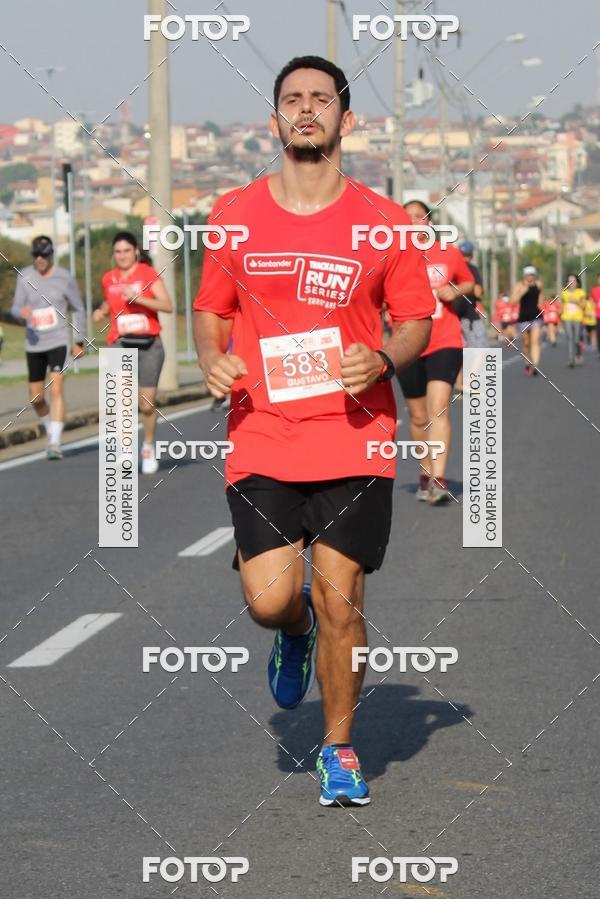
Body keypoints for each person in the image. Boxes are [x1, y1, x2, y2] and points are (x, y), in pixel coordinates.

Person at [193, 55, 434, 807]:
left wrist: (383, 356)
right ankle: (289, 631)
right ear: (274, 121)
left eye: (320, 100)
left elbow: (418, 320)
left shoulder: (384, 222)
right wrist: (209, 357)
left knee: (343, 599)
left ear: (345, 119)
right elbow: (211, 307)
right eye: (292, 99)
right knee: (272, 598)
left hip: (352, 434)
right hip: (262, 432)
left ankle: (339, 749)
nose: (306, 110)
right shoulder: (234, 215)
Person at [395, 201, 474, 504]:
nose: (414, 221)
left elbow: (468, 281)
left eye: (420, 216)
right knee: (417, 417)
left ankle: (439, 478)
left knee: (438, 407)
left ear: (429, 221)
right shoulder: (392, 256)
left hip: (444, 339)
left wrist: (455, 291)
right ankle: (425, 473)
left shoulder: (448, 252)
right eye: (408, 217)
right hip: (407, 345)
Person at [94, 232, 173, 473]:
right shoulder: (109, 278)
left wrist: (140, 299)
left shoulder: (147, 274)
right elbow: (111, 300)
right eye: (118, 252)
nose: (122, 256)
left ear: (136, 250)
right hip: (120, 342)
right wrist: (102, 310)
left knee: (146, 405)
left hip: (149, 344)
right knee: (121, 400)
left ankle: (148, 446)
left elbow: (167, 306)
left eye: (126, 251)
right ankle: (126, 448)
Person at [10, 235, 86, 460]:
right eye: (36, 255)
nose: (40, 259)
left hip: (58, 341)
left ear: (52, 254)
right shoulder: (24, 276)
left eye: (44, 255)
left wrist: (78, 341)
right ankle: (49, 428)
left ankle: (55, 442)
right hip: (33, 343)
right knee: (36, 399)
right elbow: (15, 307)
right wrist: (20, 313)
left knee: (56, 389)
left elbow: (79, 309)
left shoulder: (65, 278)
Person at [453, 240, 487, 395]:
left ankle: (459, 384)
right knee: (480, 349)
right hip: (469, 316)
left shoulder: (451, 268)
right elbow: (479, 293)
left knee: (459, 350)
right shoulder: (472, 270)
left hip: (451, 315)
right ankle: (470, 381)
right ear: (472, 255)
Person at [510, 265, 544, 376]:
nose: (530, 277)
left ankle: (535, 366)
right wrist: (522, 292)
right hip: (523, 317)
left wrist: (541, 304)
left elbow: (541, 297)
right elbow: (512, 301)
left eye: (532, 275)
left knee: (535, 341)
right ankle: (527, 362)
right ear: (525, 275)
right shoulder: (519, 286)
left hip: (536, 316)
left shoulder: (538, 284)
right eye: (528, 275)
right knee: (526, 343)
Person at [560, 273, 586, 367]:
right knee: (570, 338)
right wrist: (559, 313)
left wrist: (576, 301)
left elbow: (583, 306)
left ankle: (578, 353)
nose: (571, 283)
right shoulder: (564, 292)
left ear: (577, 282)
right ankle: (571, 360)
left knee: (576, 339)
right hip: (566, 317)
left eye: (573, 281)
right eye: (569, 281)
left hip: (577, 318)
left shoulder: (580, 292)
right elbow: (562, 306)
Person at [590, 273, 600, 357]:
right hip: (598, 315)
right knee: (598, 333)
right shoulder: (594, 290)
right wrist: (592, 311)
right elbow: (591, 302)